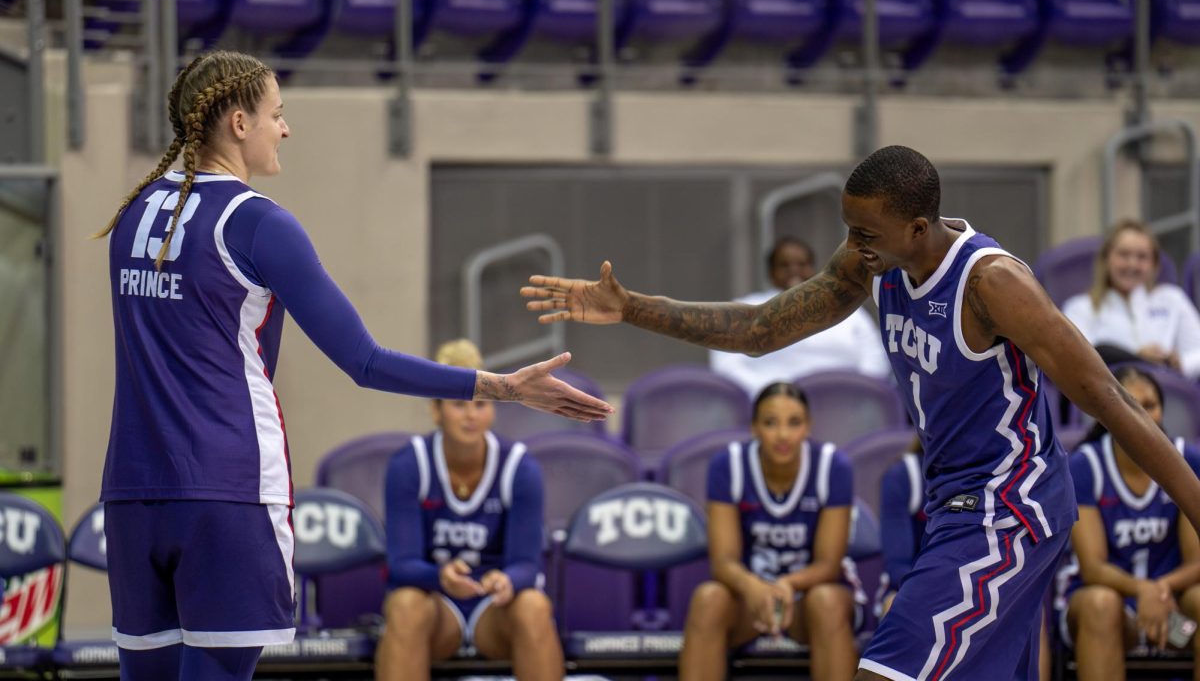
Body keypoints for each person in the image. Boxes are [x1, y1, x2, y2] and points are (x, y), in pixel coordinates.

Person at [521, 144, 1200, 681]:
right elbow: (759, 331)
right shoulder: (873, 261)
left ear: (915, 226)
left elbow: (1106, 398)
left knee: (884, 671)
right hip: (955, 505)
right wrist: (630, 307)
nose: (852, 244)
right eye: (849, 228)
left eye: (864, 231)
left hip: (1008, 508)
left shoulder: (992, 283)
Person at [94, 51, 609, 681]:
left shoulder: (132, 217)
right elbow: (364, 361)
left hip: (129, 491)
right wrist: (501, 386)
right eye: (276, 115)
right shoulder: (258, 224)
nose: (285, 129)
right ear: (237, 122)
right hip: (226, 491)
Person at [377, 339, 561, 681]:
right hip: (437, 606)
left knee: (534, 606)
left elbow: (527, 563)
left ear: (493, 410)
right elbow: (401, 566)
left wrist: (508, 580)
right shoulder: (409, 465)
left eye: (481, 404)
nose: (471, 414)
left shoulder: (518, 467)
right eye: (458, 404)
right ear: (436, 410)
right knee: (404, 605)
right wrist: (440, 576)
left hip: (494, 608)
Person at [680, 381, 861, 681]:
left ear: (808, 427)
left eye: (794, 423)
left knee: (826, 601)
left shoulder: (833, 466)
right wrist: (755, 588)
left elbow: (828, 566)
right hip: (749, 600)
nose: (782, 435)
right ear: (753, 427)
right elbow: (723, 562)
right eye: (770, 423)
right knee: (708, 597)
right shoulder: (729, 464)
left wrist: (786, 585)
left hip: (808, 602)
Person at [1056, 365, 1200, 681]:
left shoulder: (1188, 461)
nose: (1143, 416)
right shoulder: (1086, 466)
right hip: (1119, 621)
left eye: (1150, 405)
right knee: (1100, 605)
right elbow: (1093, 568)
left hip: (1171, 621)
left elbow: (1197, 562)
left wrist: (1159, 591)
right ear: (1108, 414)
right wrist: (1141, 591)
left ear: (1163, 410)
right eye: (1130, 406)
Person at [877, 440, 1054, 681]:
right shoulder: (903, 476)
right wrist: (959, 590)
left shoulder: (1010, 478)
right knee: (894, 605)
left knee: (1031, 609)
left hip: (987, 584)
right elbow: (897, 566)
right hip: (929, 588)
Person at [709, 237, 890, 396]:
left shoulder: (849, 309)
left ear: (816, 269)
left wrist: (854, 392)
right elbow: (726, 362)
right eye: (784, 265)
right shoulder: (747, 307)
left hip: (841, 405)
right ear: (771, 272)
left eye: (802, 264)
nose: (794, 271)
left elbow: (875, 359)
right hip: (767, 405)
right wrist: (769, 393)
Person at [1062, 220, 1200, 379]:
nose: (1132, 264)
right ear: (1107, 259)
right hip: (1110, 396)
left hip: (1170, 393)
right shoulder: (1080, 308)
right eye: (1123, 254)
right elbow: (1079, 360)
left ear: (1154, 264)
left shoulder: (1172, 299)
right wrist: (1138, 359)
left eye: (1142, 257)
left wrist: (1180, 363)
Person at [877, 436, 925, 618]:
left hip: (978, 585)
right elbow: (897, 567)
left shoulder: (997, 474)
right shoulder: (903, 476)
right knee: (898, 605)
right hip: (918, 587)